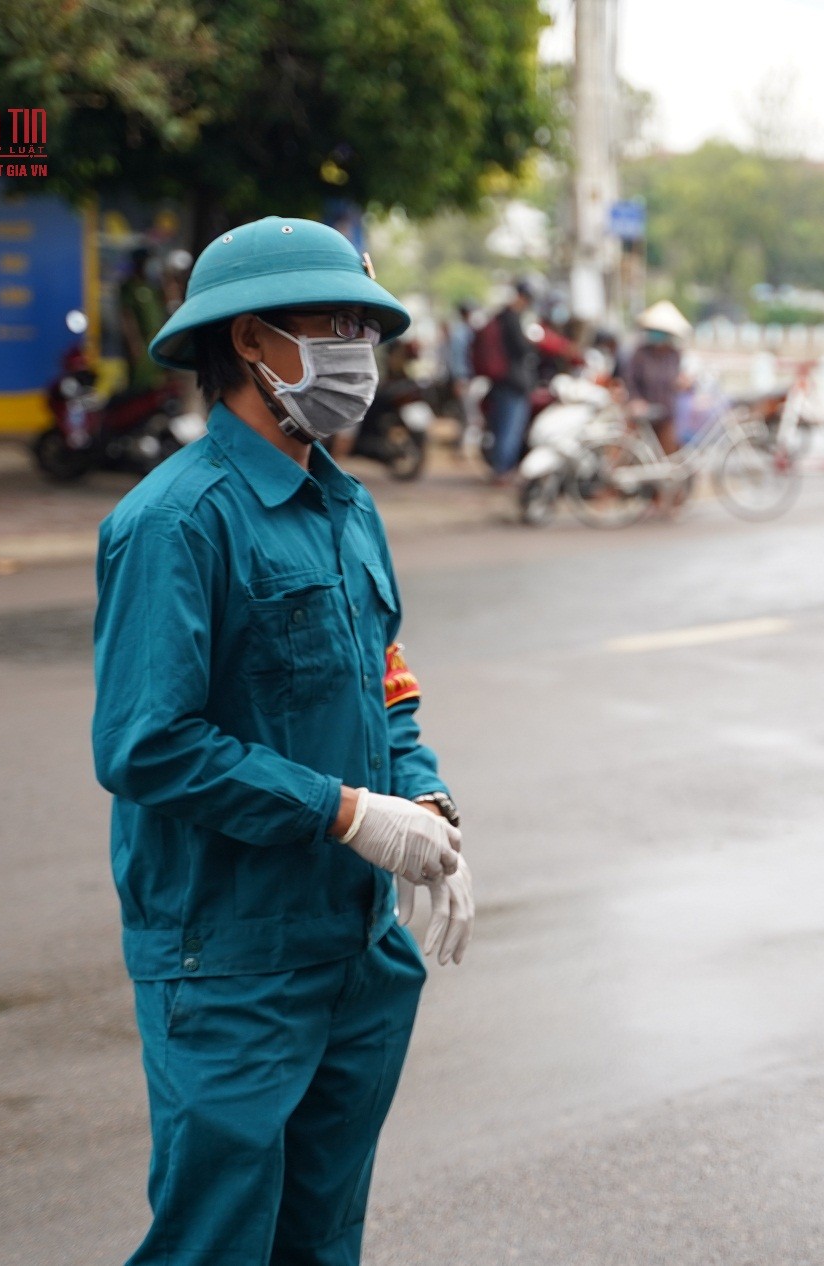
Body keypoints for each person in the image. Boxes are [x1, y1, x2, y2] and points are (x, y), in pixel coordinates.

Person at [91, 216, 474, 1266]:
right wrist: (349, 814)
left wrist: (426, 807)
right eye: (334, 323)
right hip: (228, 962)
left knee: (320, 1241)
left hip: (353, 953)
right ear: (253, 341)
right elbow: (145, 744)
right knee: (215, 1245)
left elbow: (384, 693)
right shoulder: (176, 522)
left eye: (366, 325)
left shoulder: (346, 509)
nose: (360, 349)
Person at [476, 281, 540, 479]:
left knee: (504, 428)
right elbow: (521, 348)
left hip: (503, 381)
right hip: (512, 383)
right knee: (509, 429)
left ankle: (501, 468)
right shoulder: (511, 318)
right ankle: (502, 470)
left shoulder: (501, 317)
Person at [626, 300, 692, 454]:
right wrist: (635, 400)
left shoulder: (674, 355)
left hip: (667, 412)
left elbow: (677, 379)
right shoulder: (640, 354)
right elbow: (630, 381)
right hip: (643, 414)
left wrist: (683, 383)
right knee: (637, 453)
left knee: (668, 453)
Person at [118, 247, 168, 393]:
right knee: (141, 384)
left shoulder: (152, 287)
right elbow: (127, 316)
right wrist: (133, 343)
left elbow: (168, 301)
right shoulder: (130, 287)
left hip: (156, 339)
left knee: (156, 383)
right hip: (141, 342)